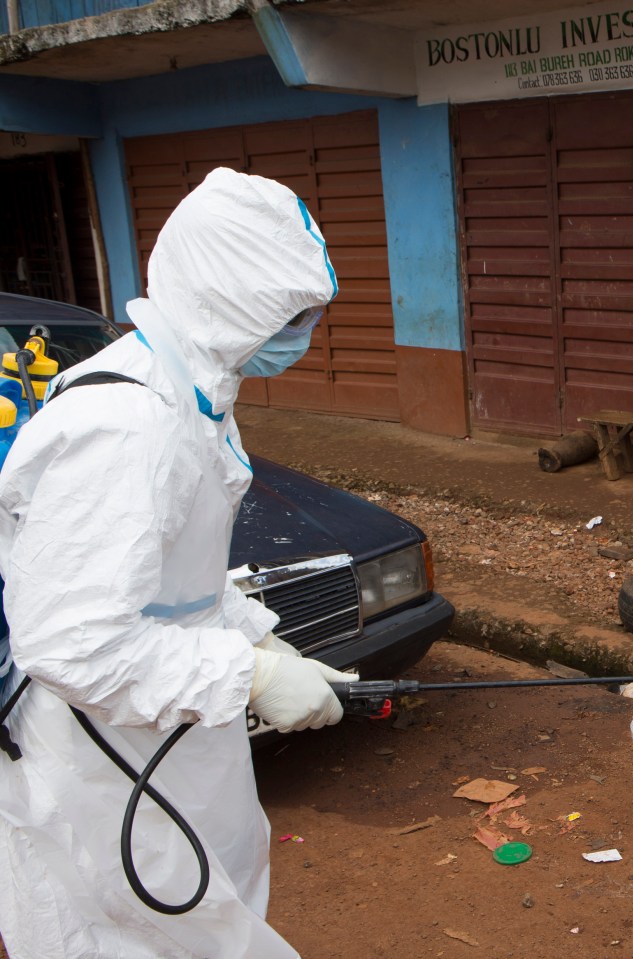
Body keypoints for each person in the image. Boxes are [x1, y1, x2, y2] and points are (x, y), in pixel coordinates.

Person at [0, 167, 358, 958]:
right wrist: (250, 677)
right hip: (97, 754)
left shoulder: (193, 394)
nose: (307, 333)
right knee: (138, 931)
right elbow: (70, 644)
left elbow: (176, 586)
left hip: (167, 731)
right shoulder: (125, 425)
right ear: (231, 300)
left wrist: (259, 640)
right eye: (293, 315)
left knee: (215, 900)